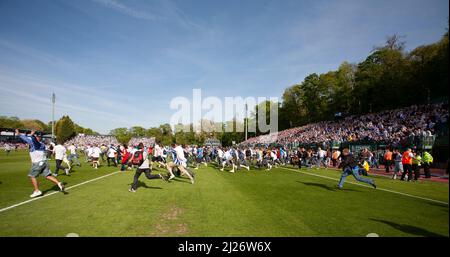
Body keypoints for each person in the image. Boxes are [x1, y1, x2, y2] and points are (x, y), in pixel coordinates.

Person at [15, 129, 64, 198]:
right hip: (45, 162)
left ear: (37, 136)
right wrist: (22, 134)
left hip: (38, 163)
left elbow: (29, 140)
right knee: (47, 175)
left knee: (32, 176)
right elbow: (29, 140)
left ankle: (37, 190)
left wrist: (25, 135)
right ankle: (58, 183)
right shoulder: (42, 144)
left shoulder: (34, 143)